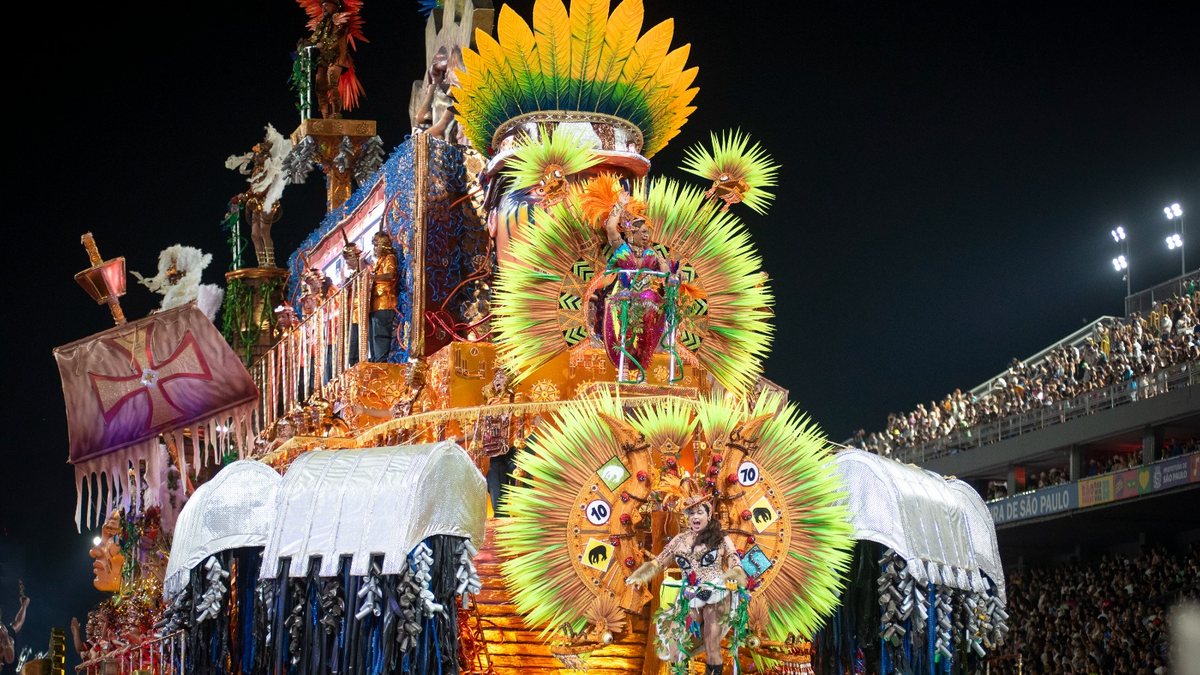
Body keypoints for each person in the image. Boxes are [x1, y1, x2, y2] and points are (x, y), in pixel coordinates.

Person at [628, 482, 746, 675]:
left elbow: (735, 563)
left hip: (716, 593)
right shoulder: (679, 541)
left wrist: (733, 577)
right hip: (689, 596)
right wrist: (639, 577)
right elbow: (658, 563)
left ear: (708, 515)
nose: (695, 517)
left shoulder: (721, 539)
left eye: (699, 512)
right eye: (691, 514)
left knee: (711, 638)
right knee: (675, 641)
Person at [369, 230, 398, 362]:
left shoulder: (389, 258)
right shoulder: (379, 261)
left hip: (385, 303)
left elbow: (390, 275)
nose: (374, 249)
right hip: (375, 305)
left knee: (380, 338)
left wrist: (372, 278)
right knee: (375, 339)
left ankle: (382, 368)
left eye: (376, 245)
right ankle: (376, 364)